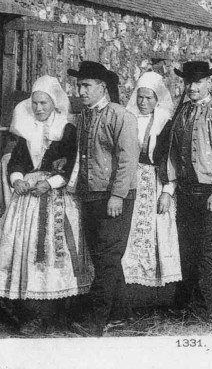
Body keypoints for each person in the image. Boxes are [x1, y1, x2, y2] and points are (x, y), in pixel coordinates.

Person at [0, 76, 94, 334]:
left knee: (56, 250)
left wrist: (51, 183)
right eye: (35, 103)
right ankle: (31, 312)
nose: (39, 108)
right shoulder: (25, 127)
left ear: (54, 103)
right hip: (27, 198)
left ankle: (61, 312)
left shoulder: (67, 129)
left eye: (44, 103)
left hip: (56, 197)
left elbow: (74, 162)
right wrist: (17, 179)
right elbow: (16, 161)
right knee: (24, 248)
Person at [163, 61, 212, 320]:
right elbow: (174, 152)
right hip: (188, 192)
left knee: (209, 251)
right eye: (188, 82)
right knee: (188, 249)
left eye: (197, 82)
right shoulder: (182, 111)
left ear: (209, 83)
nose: (192, 87)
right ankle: (190, 305)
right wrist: (170, 187)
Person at [67, 61, 139, 336]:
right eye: (79, 85)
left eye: (86, 86)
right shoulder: (84, 116)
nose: (80, 91)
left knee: (108, 258)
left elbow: (127, 160)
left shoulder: (121, 116)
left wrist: (117, 195)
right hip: (90, 196)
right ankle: (121, 314)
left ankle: (96, 321)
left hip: (114, 197)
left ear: (102, 87)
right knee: (102, 258)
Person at [121, 72, 181, 287]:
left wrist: (167, 191)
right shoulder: (127, 118)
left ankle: (156, 292)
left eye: (149, 98)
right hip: (130, 181)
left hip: (156, 181)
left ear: (158, 99)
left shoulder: (166, 123)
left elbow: (170, 158)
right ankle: (129, 291)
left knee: (158, 231)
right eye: (140, 97)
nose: (143, 102)